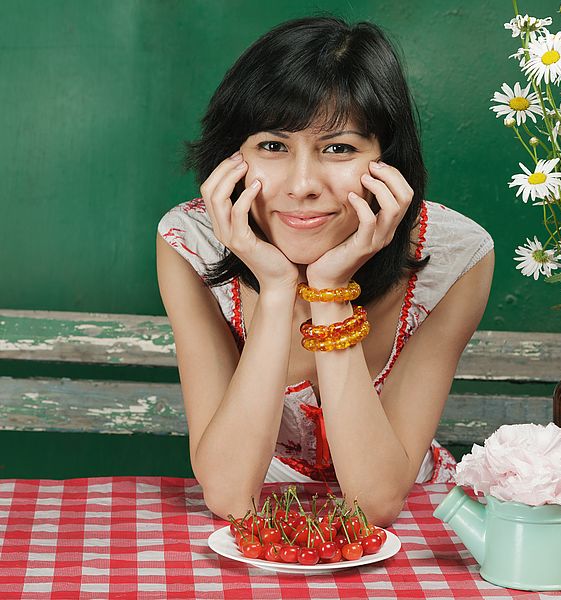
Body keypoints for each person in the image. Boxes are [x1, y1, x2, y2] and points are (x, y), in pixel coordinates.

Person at [156, 16, 494, 527]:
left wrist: (330, 290)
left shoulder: (456, 256)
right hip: (260, 504)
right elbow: (228, 496)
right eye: (272, 146)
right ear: (232, 156)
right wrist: (275, 288)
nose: (303, 184)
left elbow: (375, 505)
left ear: (388, 159)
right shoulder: (191, 243)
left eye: (339, 148)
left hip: (415, 517)